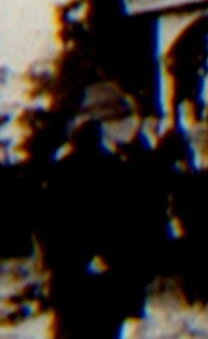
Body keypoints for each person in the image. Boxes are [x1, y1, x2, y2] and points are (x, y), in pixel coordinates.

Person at [34, 81, 164, 339]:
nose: (131, 127)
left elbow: (139, 228)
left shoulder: (131, 163)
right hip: (81, 290)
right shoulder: (72, 169)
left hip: (114, 291)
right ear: (101, 125)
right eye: (121, 120)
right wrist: (83, 258)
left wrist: (135, 305)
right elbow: (51, 225)